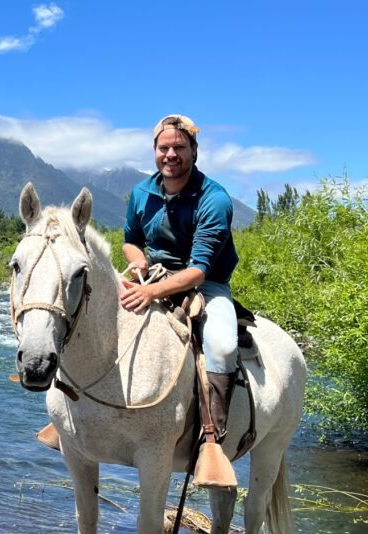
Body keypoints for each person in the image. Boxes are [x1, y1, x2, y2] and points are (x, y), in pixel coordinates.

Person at [38, 114, 239, 489]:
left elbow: (198, 270)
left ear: (194, 151)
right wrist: (136, 260)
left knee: (223, 346)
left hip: (205, 284)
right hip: (151, 274)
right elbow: (130, 239)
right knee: (86, 311)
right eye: (164, 147)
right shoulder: (141, 193)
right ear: (155, 151)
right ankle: (68, 416)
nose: (171, 154)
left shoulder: (214, 199)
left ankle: (212, 442)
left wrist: (149, 293)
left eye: (179, 147)